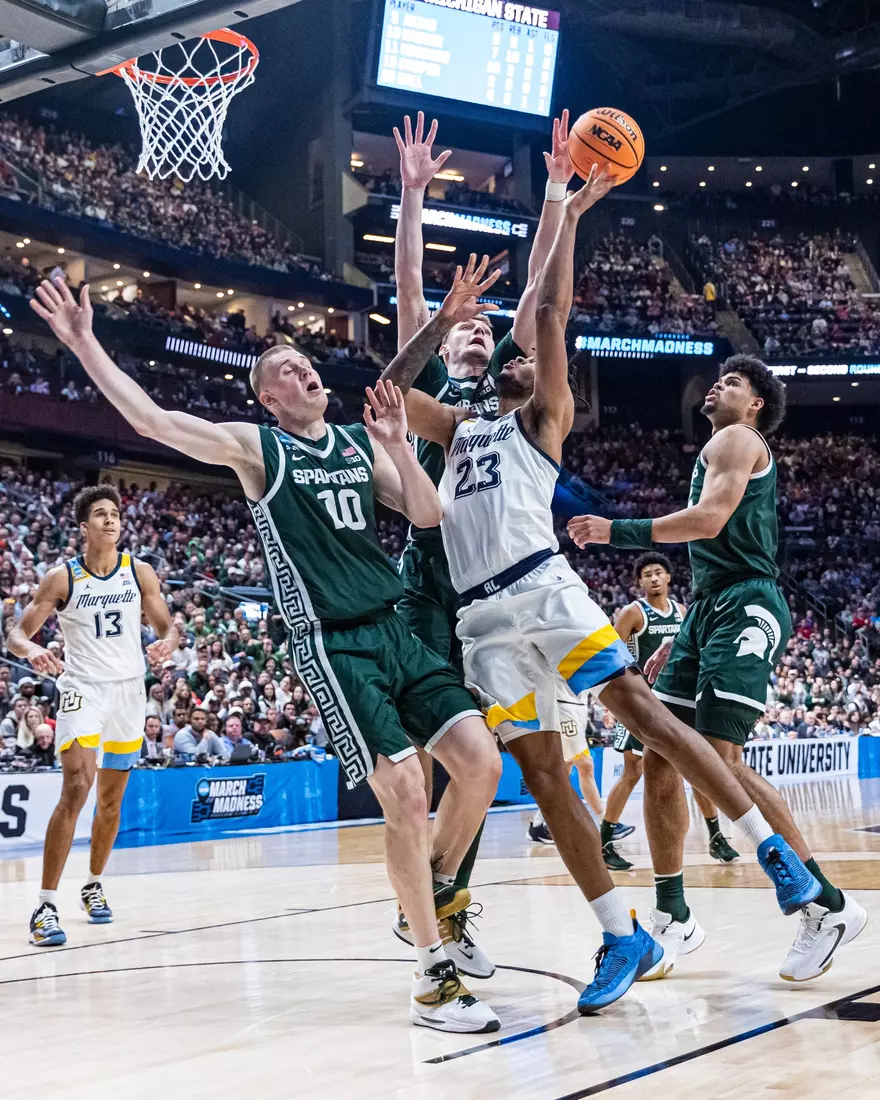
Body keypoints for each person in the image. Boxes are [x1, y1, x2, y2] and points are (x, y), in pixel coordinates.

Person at [383, 176, 822, 1013]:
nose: (498, 348)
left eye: (501, 343)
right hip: (481, 622)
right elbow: (395, 393)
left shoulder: (539, 415)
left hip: (544, 590)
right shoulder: (456, 424)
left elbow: (547, 316)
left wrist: (562, 206)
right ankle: (622, 935)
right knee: (545, 779)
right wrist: (442, 320)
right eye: (483, 343)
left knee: (643, 713)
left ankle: (775, 857)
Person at [31, 274, 502, 1035]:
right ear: (270, 401)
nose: (300, 370)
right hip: (333, 641)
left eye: (302, 361)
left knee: (481, 763)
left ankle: (436, 888)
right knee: (408, 794)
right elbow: (152, 421)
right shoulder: (258, 449)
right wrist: (85, 341)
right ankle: (432, 980)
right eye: (281, 369)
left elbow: (425, 512)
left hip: (395, 629)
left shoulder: (355, 440)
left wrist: (395, 448)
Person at [569, 353, 867, 982]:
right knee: (656, 753)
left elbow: (710, 521)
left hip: (746, 603)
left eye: (733, 382)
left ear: (754, 403)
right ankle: (672, 912)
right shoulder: (715, 446)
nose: (718, 386)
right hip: (708, 608)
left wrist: (612, 530)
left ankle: (827, 906)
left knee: (719, 762)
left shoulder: (737, 437)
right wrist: (682, 636)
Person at [391, 110, 579, 976]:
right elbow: (407, 313)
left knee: (487, 759)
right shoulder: (434, 382)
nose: (477, 333)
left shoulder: (506, 394)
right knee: (452, 753)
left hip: (494, 591)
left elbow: (542, 291)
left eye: (483, 330)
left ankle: (446, 905)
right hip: (430, 585)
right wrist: (413, 196)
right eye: (466, 328)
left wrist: (556, 195)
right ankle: (436, 914)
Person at [8, 485, 178, 948]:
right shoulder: (62, 578)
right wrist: (34, 649)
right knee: (77, 787)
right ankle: (44, 906)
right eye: (100, 515)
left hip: (128, 694)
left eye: (115, 514)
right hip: (82, 690)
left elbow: (168, 624)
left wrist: (169, 642)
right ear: (84, 528)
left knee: (110, 802)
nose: (110, 520)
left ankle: (93, 885)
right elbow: (17, 635)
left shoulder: (138, 572)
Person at [601, 552, 741, 872]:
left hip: (675, 704)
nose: (652, 577)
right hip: (640, 704)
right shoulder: (632, 613)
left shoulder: (681, 611)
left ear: (668, 578)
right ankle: (605, 839)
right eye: (646, 573)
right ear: (639, 582)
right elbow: (610, 655)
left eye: (658, 572)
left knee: (693, 768)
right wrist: (614, 702)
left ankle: (716, 836)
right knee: (633, 772)